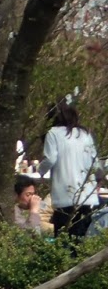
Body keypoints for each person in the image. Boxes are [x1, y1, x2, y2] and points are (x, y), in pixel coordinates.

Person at [39, 100, 100, 240]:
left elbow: (50, 159)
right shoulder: (85, 134)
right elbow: (95, 164)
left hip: (64, 195)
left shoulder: (53, 133)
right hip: (87, 196)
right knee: (79, 237)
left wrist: (40, 170)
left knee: (62, 236)